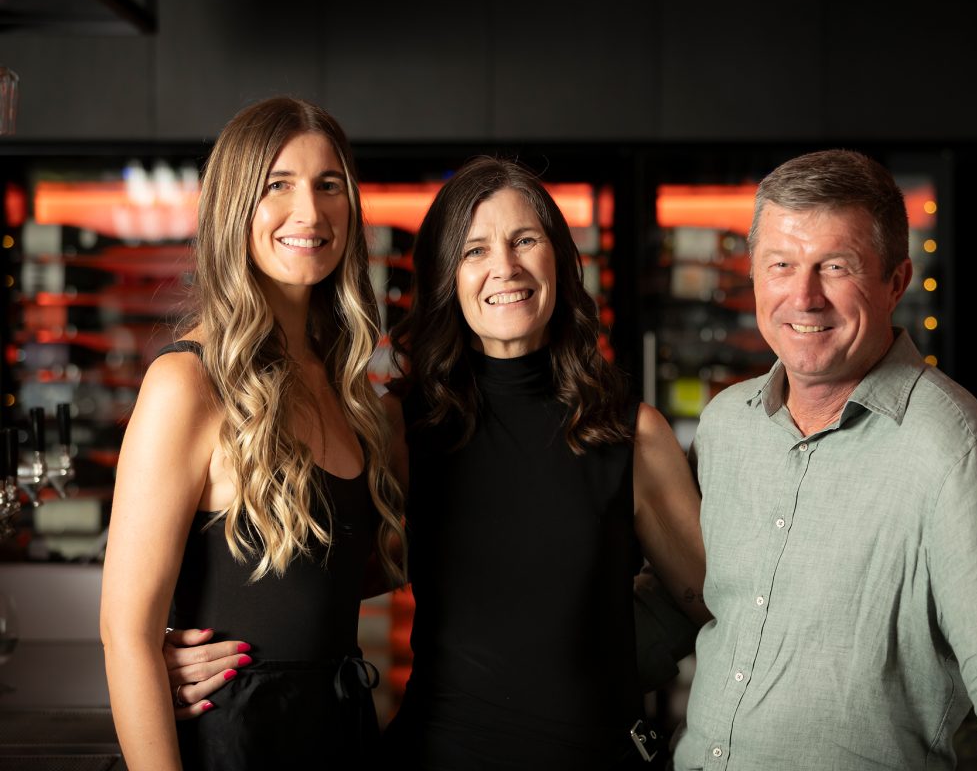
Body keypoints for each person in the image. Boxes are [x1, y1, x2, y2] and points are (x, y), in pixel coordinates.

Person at [164, 156, 709, 769]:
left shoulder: (630, 433)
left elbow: (718, 603)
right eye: (474, 251)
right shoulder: (402, 425)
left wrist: (614, 663)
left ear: (559, 257)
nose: (505, 267)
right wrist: (176, 649)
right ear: (447, 277)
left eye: (524, 240)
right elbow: (319, 575)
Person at [672, 149, 977, 770]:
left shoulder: (948, 448)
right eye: (781, 265)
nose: (804, 297)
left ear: (896, 282)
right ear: (754, 275)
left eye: (836, 266)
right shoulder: (725, 427)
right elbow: (688, 602)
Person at [99, 97, 405, 771]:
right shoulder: (187, 384)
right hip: (230, 746)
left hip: (339, 735)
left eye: (330, 186)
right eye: (278, 186)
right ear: (234, 206)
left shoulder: (352, 391)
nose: (311, 212)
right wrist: (159, 656)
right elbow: (125, 633)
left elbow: (334, 575)